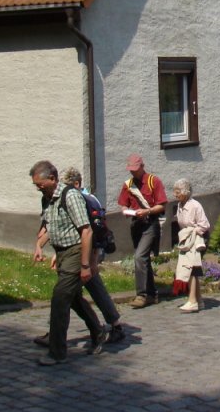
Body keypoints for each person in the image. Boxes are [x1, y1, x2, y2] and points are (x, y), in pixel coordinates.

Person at [33, 168, 124, 347]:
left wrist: (92, 261)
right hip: (71, 254)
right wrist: (46, 247)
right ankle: (100, 329)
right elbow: (59, 226)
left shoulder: (86, 200)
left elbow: (94, 231)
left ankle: (114, 327)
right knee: (70, 294)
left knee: (73, 292)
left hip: (86, 253)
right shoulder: (56, 198)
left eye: (66, 185)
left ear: (76, 184)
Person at [31, 161, 106, 366]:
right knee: (72, 298)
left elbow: (86, 231)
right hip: (62, 252)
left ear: (52, 178)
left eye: (40, 184)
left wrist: (85, 265)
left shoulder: (70, 196)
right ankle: (98, 331)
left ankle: (57, 352)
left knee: (60, 298)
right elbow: (50, 226)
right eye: (35, 185)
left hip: (75, 251)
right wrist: (39, 245)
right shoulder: (47, 199)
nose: (38, 187)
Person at [117, 154, 167, 308]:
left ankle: (142, 295)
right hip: (136, 225)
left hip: (150, 223)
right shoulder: (128, 185)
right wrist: (125, 210)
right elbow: (123, 203)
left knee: (139, 257)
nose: (133, 172)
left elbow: (162, 205)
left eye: (135, 169)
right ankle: (152, 294)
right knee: (144, 259)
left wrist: (147, 211)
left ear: (142, 167)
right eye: (131, 169)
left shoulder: (153, 181)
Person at [173, 179, 211, 313]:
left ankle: (192, 301)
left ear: (185, 192)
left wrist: (193, 233)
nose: (175, 194)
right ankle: (198, 300)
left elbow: (205, 225)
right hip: (187, 240)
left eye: (178, 192)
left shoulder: (195, 205)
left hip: (198, 240)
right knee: (191, 268)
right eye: (175, 191)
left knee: (191, 268)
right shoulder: (179, 205)